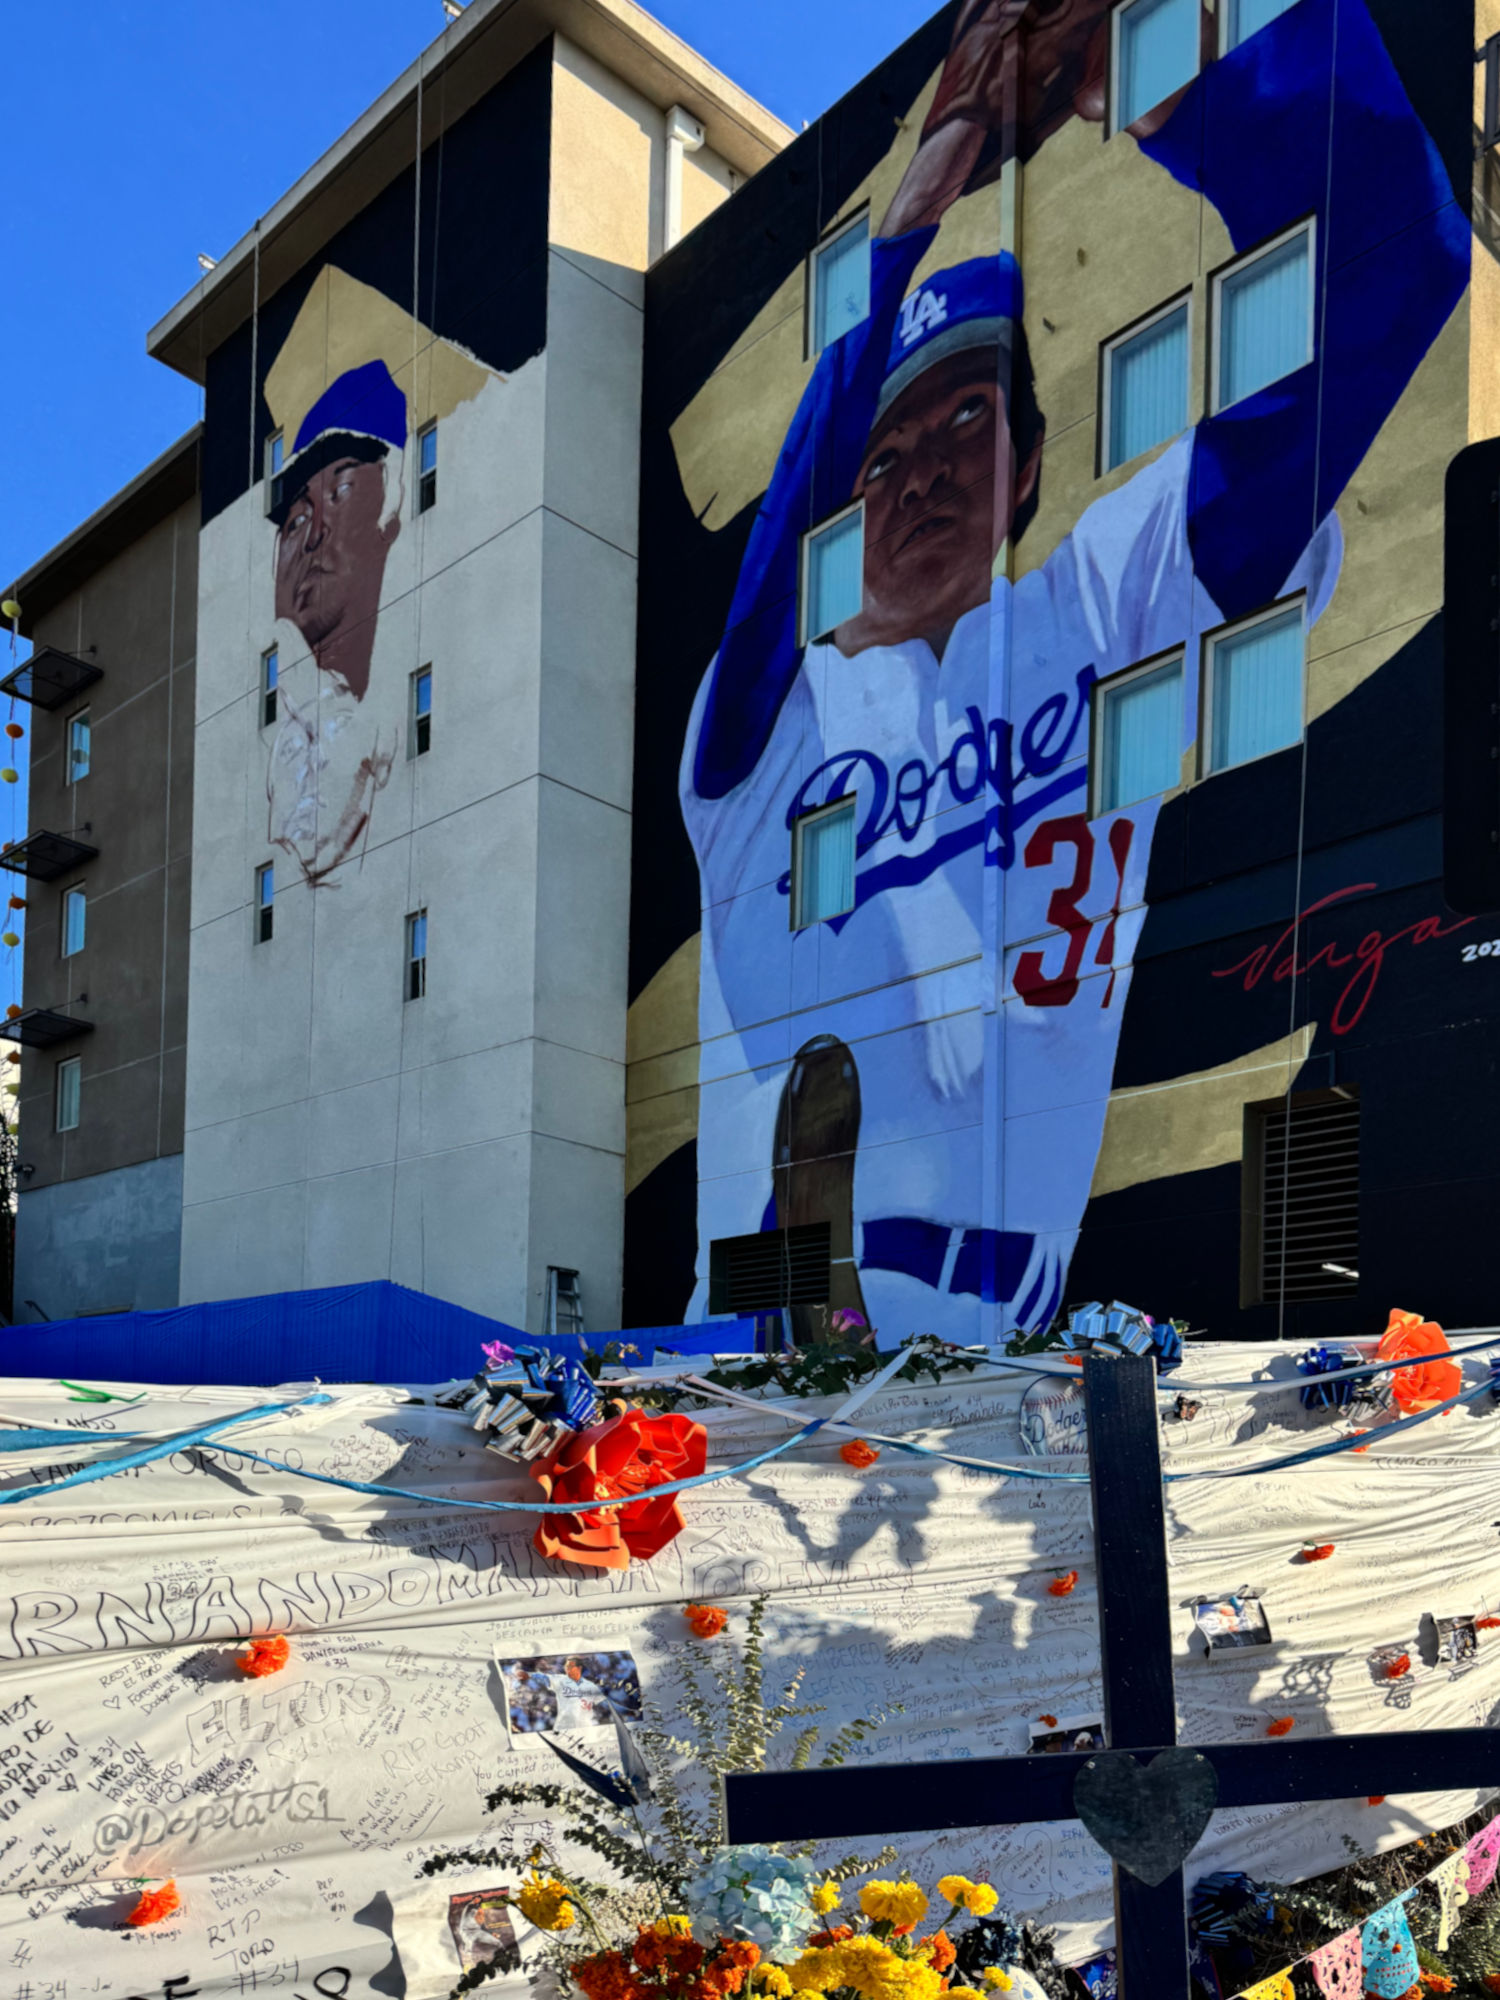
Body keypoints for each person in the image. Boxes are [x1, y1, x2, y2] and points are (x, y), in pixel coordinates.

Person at [679, 0, 1467, 1344]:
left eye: (968, 420)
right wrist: (915, 204)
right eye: (888, 453)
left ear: (1031, 466)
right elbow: (774, 547)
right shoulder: (772, 733)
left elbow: (1401, 259)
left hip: (1030, 1360)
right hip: (767, 1345)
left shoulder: (1102, 605)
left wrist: (1158, 75)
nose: (921, 471)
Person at [266, 358, 406, 886]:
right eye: (297, 519)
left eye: (340, 492)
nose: (313, 534)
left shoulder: (388, 715)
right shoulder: (288, 737)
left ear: (391, 497)